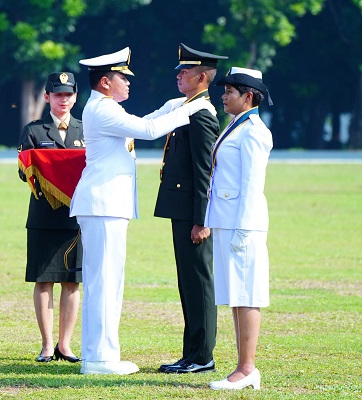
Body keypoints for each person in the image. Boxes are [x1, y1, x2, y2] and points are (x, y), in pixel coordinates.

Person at [69, 47, 217, 375]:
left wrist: (182, 104)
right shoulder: (103, 109)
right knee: (105, 283)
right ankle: (100, 359)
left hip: (106, 205)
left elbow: (147, 121)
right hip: (103, 205)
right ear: (105, 82)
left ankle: (98, 355)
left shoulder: (105, 107)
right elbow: (149, 131)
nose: (128, 82)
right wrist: (193, 107)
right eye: (122, 77)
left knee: (105, 282)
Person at [154, 43, 227, 374]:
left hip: (193, 214)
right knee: (188, 283)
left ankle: (202, 356)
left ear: (201, 78)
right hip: (183, 209)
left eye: (185, 72)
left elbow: (204, 172)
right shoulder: (187, 108)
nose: (179, 75)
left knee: (199, 283)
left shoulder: (201, 114)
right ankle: (191, 353)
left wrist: (202, 220)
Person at [204, 67, 273, 390]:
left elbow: (252, 186)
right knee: (236, 295)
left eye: (230, 91)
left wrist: (244, 231)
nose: (223, 96)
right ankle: (243, 367)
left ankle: (247, 369)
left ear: (248, 97)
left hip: (242, 225)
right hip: (227, 222)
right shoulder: (236, 125)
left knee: (247, 294)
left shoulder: (254, 131)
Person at [17, 72, 84, 363]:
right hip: (43, 216)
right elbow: (23, 171)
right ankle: (46, 345)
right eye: (58, 95)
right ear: (47, 97)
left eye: (68, 94)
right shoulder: (33, 130)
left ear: (75, 97)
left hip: (76, 218)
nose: (63, 100)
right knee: (43, 281)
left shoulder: (86, 129)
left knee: (72, 281)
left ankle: (65, 345)